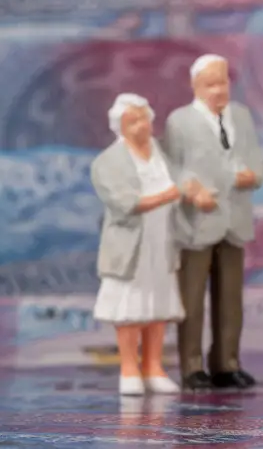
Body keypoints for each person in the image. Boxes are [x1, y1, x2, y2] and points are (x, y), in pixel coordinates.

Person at [91, 93, 208, 396]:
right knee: (130, 309)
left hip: (162, 241)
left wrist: (192, 188)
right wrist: (169, 194)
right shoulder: (108, 162)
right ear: (119, 126)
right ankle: (129, 368)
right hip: (130, 246)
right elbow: (125, 204)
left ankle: (153, 367)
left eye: (144, 118)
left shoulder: (158, 152)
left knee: (158, 306)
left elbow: (180, 176)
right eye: (133, 121)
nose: (142, 125)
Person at [163, 54, 263, 390]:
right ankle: (192, 366)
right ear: (195, 86)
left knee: (230, 298)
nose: (219, 90)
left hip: (234, 220)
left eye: (223, 82)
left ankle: (227, 363)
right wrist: (190, 190)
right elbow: (170, 167)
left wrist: (254, 175)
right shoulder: (180, 121)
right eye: (210, 84)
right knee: (191, 299)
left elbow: (254, 157)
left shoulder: (241, 116)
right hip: (198, 222)